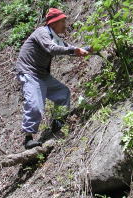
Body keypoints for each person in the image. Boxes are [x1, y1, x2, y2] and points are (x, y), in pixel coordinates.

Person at [15, 8, 91, 149]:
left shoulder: (54, 36)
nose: (65, 24)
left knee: (63, 93)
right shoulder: (42, 32)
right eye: (63, 21)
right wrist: (74, 50)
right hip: (29, 72)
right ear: (54, 22)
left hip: (42, 74)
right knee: (35, 105)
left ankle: (58, 122)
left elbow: (68, 49)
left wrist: (87, 48)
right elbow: (51, 48)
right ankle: (28, 139)